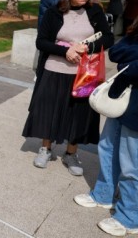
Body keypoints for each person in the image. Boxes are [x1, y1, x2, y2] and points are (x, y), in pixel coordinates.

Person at [22, 0, 114, 176]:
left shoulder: (95, 12)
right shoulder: (55, 12)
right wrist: (66, 51)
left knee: (79, 115)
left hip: (84, 74)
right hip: (55, 70)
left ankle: (71, 153)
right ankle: (46, 148)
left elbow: (108, 39)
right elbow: (42, 41)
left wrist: (86, 48)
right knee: (50, 111)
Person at [73, 18, 138, 236]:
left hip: (136, 109)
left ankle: (130, 218)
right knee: (108, 148)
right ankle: (103, 194)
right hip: (121, 100)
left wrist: (132, 61)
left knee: (132, 166)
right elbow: (116, 53)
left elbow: (131, 67)